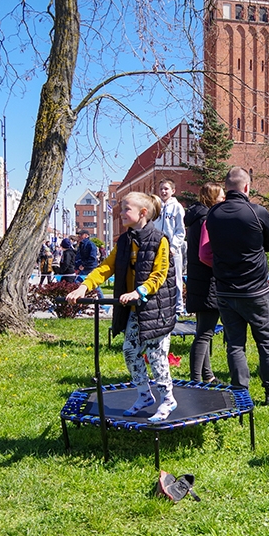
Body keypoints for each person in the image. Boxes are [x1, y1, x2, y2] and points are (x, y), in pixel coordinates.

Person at [67, 192, 180, 422]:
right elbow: (106, 267)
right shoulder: (125, 241)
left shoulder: (160, 240)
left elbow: (159, 275)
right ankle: (144, 394)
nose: (121, 213)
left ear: (142, 213)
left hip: (156, 310)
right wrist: (84, 286)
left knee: (157, 357)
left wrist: (138, 292)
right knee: (130, 352)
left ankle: (168, 398)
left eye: (126, 209)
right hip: (135, 310)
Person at [206, 167, 269, 406]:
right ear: (246, 187)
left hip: (224, 288)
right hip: (255, 289)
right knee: (266, 341)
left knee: (235, 343)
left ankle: (240, 393)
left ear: (226, 187)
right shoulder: (257, 212)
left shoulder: (213, 215)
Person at [184, 182, 225, 383]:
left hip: (197, 279)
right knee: (205, 333)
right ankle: (196, 378)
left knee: (203, 329)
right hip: (208, 280)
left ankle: (207, 375)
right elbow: (205, 254)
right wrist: (222, 268)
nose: (224, 200)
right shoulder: (207, 219)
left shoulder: (196, 219)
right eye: (221, 197)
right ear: (212, 198)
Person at [155, 179, 187, 316]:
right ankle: (159, 305)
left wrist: (173, 246)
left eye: (166, 189)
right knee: (157, 277)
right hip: (157, 249)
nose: (163, 191)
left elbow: (180, 230)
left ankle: (178, 307)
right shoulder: (155, 206)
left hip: (173, 251)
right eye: (161, 189)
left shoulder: (177, 207)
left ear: (173, 191)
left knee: (176, 278)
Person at [76, 230, 103, 297]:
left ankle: (102, 303)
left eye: (81, 235)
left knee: (94, 284)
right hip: (85, 267)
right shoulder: (81, 244)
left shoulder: (91, 245)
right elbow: (79, 256)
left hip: (90, 267)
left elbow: (92, 258)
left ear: (86, 235)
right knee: (78, 282)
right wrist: (79, 264)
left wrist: (83, 265)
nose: (79, 236)